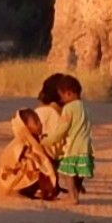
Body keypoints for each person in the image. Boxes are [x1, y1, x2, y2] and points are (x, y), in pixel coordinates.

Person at [46, 72, 94, 203]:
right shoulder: (84, 107)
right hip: (85, 145)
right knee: (78, 172)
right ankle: (75, 193)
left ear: (68, 93)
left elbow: (62, 129)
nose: (62, 100)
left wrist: (47, 141)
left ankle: (72, 196)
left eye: (62, 96)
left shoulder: (68, 108)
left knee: (67, 172)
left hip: (74, 145)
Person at [0, 101, 59, 200]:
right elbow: (22, 161)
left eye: (39, 120)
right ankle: (28, 190)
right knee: (38, 164)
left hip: (23, 174)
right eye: (35, 122)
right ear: (25, 126)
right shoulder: (20, 142)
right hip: (12, 179)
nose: (39, 124)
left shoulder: (34, 140)